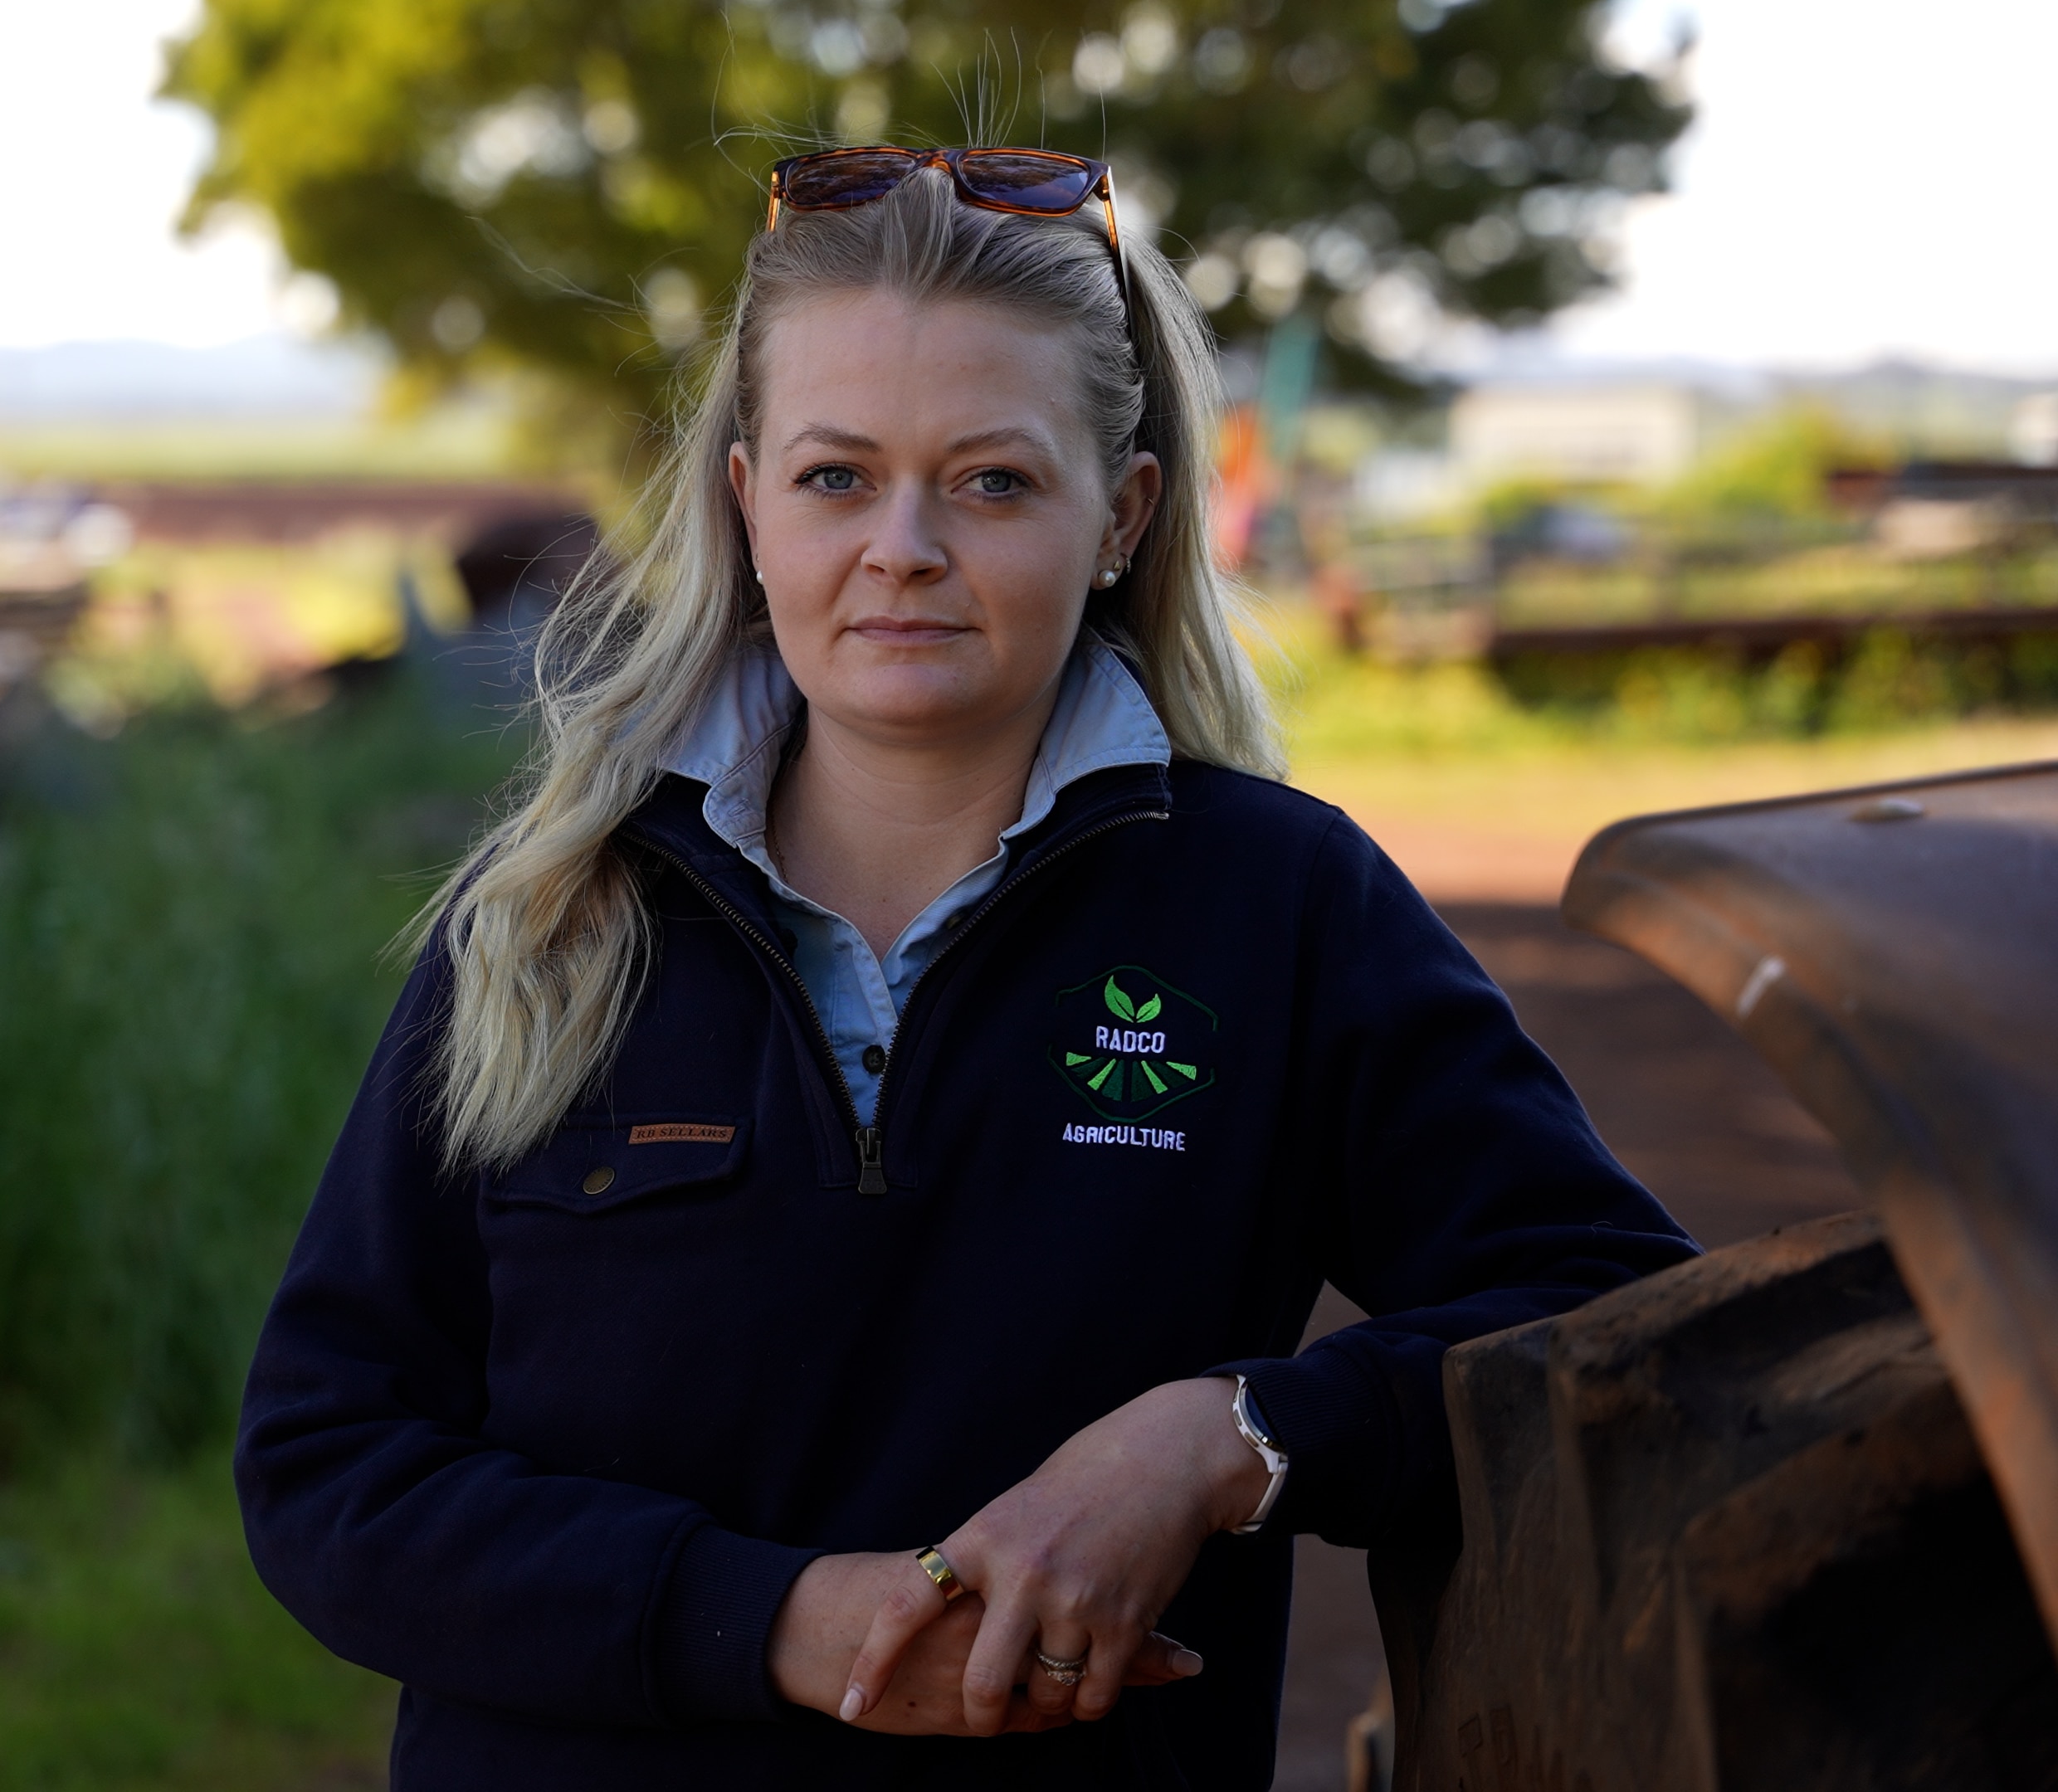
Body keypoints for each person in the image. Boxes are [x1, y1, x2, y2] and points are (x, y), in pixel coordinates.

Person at [235, 150, 1695, 1790]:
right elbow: (332, 1466)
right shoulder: (551, 922)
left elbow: (1621, 1315)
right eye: (837, 478)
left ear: (1122, 516)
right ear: (744, 501)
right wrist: (773, 1621)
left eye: (992, 481)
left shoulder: (1275, 909)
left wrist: (1227, 1440)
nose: (905, 546)